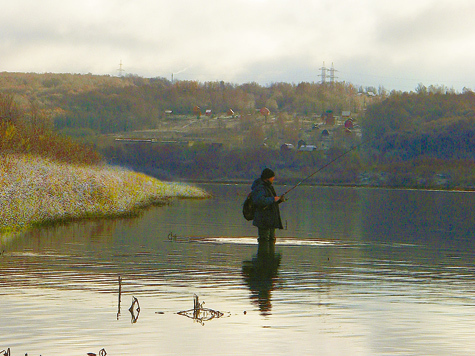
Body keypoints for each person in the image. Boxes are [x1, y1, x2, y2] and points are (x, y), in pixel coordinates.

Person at [251, 168, 285, 252]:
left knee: (271, 239)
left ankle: (270, 262)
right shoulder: (260, 188)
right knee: (264, 240)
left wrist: (279, 200)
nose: (273, 179)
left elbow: (270, 202)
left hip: (270, 220)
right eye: (272, 177)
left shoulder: (268, 187)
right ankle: (264, 260)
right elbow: (260, 201)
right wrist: (273, 199)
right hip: (263, 219)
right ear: (267, 178)